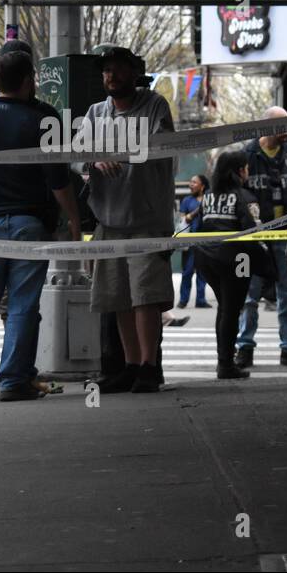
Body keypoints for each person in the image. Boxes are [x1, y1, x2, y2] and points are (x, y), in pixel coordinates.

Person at [0, 51, 82, 403]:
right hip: (29, 224)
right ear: (27, 80)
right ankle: (13, 381)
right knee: (23, 305)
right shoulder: (43, 118)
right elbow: (58, 178)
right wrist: (73, 219)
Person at [85, 45, 178, 394]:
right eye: (106, 70)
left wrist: (113, 152)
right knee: (118, 298)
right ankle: (131, 364)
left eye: (118, 69)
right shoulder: (95, 113)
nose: (111, 75)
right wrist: (93, 159)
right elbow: (75, 154)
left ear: (134, 72)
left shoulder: (154, 105)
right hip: (108, 220)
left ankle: (149, 368)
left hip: (147, 220)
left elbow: (161, 144)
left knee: (145, 297)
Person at [234, 107, 287, 368]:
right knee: (249, 295)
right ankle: (244, 346)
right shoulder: (246, 154)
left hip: (285, 235)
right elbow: (237, 191)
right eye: (283, 126)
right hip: (255, 237)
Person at [191, 150, 263, 380]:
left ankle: (224, 360)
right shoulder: (244, 197)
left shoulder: (209, 196)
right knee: (232, 311)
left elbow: (201, 224)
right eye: (246, 167)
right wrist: (266, 265)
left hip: (208, 259)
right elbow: (253, 232)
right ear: (239, 170)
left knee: (225, 309)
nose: (248, 171)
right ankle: (225, 365)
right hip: (237, 260)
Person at [177, 173, 210, 308]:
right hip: (190, 241)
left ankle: (201, 300)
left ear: (202, 186)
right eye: (190, 182)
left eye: (194, 182)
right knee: (187, 272)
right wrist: (198, 210)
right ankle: (183, 300)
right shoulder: (186, 201)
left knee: (202, 272)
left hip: (205, 242)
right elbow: (184, 219)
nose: (191, 185)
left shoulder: (210, 199)